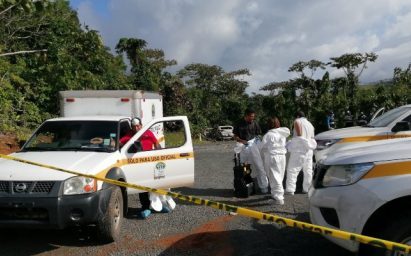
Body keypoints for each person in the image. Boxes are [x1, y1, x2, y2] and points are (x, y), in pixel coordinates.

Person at [120, 117, 172, 219]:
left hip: (151, 163)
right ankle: (145, 207)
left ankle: (159, 206)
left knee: (156, 185)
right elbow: (120, 142)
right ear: (131, 127)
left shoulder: (148, 132)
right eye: (134, 126)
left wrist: (161, 155)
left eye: (138, 126)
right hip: (139, 166)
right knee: (142, 187)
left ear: (141, 125)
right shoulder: (129, 135)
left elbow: (156, 144)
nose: (136, 128)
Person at [233, 108, 268, 193]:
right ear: (246, 115)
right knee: (246, 167)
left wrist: (258, 140)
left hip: (254, 146)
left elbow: (258, 134)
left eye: (253, 116)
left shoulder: (255, 123)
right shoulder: (239, 123)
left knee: (259, 166)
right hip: (244, 147)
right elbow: (235, 136)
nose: (252, 118)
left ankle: (264, 187)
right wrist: (242, 141)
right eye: (251, 116)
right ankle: (248, 186)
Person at [260, 117, 290, 205]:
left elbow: (263, 148)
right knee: (279, 175)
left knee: (274, 177)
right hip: (282, 156)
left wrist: (263, 156)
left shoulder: (268, 135)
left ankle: (278, 198)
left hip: (272, 157)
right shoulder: (282, 134)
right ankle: (276, 194)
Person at [285, 111, 316, 195]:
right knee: (308, 170)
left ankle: (290, 189)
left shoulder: (297, 121)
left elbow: (299, 135)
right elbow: (312, 137)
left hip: (299, 150)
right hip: (309, 150)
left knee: (292, 169)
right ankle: (307, 188)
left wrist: (290, 143)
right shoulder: (310, 124)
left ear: (297, 116)